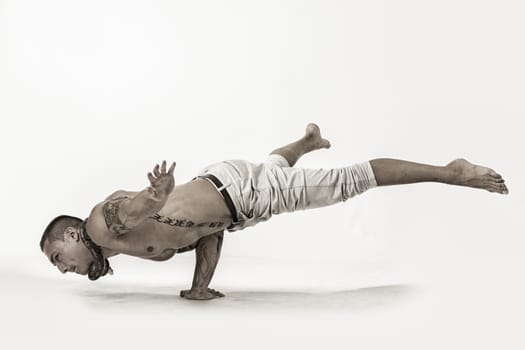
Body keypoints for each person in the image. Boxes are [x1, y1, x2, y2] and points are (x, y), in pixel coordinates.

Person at [40, 123, 509, 300]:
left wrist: (154, 198)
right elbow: (206, 232)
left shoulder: (100, 229)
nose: (64, 269)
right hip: (231, 193)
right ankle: (302, 144)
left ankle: (450, 171)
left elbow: (127, 210)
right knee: (272, 168)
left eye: (58, 257)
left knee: (348, 181)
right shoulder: (121, 249)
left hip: (243, 194)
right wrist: (199, 286)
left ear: (74, 235)